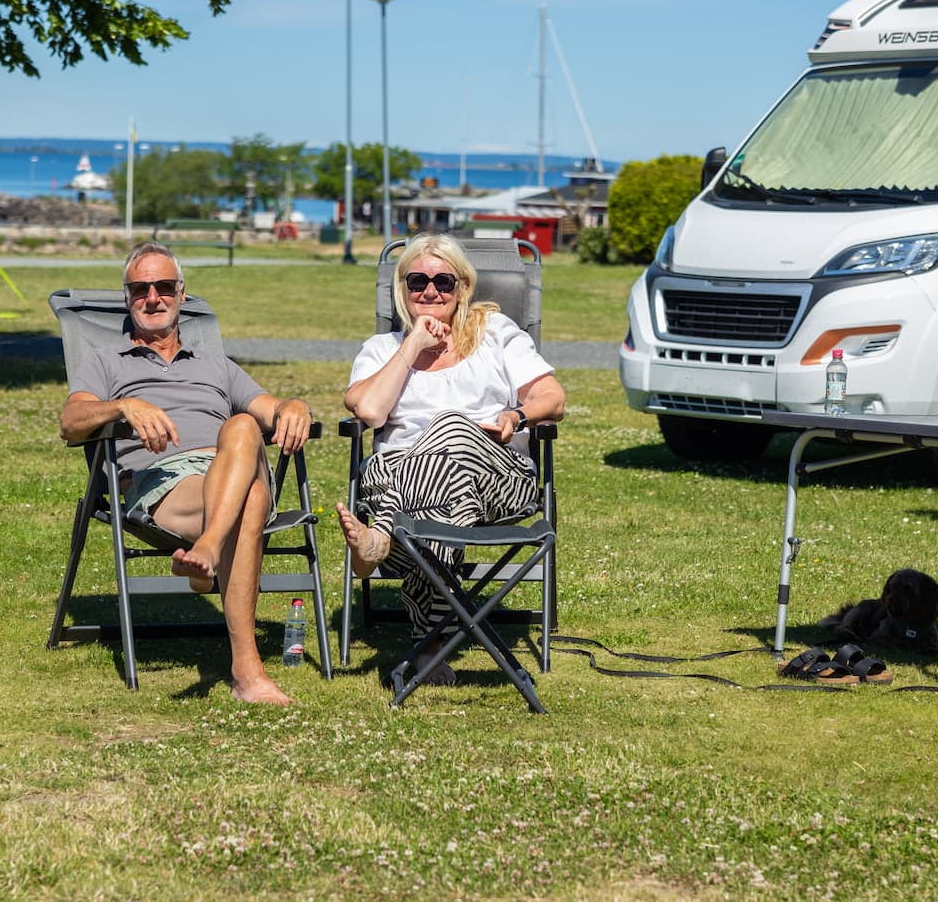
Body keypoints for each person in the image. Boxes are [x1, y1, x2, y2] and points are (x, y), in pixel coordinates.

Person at [60, 242, 312, 705]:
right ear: (127, 298)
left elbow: (271, 411)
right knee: (251, 499)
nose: (152, 297)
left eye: (164, 287)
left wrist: (294, 406)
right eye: (140, 289)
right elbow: (70, 423)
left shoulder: (217, 366)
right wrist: (123, 405)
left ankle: (208, 550)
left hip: (224, 467)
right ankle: (246, 672)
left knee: (240, 424)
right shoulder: (105, 362)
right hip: (165, 484)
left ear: (181, 293)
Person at [335, 233, 566, 683]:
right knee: (442, 480)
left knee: (452, 427)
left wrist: (516, 415)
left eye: (444, 282)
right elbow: (368, 410)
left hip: (496, 476)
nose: (430, 292)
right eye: (417, 281)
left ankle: (382, 537)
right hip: (403, 483)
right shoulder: (382, 350)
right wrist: (412, 347)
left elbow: (552, 399)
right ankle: (431, 647)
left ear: (463, 287)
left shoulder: (497, 334)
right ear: (401, 290)